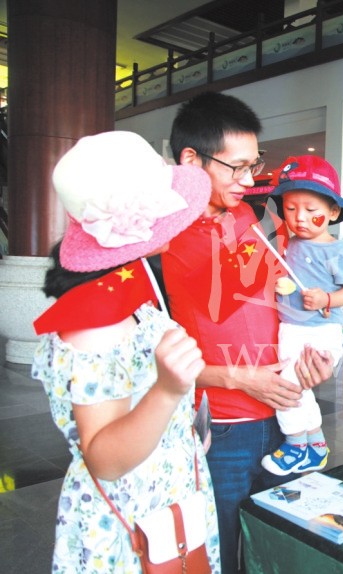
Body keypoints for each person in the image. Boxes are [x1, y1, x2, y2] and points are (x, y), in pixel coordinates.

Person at [30, 131, 220, 572]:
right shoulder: (95, 323)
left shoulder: (129, 290)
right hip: (131, 519)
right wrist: (168, 391)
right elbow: (105, 459)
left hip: (167, 496)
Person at [161, 92, 335, 572]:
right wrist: (241, 379)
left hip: (284, 419)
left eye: (253, 165)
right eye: (235, 167)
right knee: (221, 555)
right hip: (221, 430)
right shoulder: (159, 241)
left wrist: (309, 361)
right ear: (190, 160)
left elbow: (279, 307)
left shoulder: (251, 219)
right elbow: (154, 358)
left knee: (272, 551)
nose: (248, 179)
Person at [260, 155, 343, 476]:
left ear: (332, 212)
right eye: (290, 209)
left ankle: (294, 444)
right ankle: (316, 445)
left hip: (320, 334)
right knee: (296, 388)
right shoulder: (288, 244)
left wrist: (327, 297)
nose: (299, 218)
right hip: (290, 329)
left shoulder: (337, 250)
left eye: (310, 210)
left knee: (287, 388)